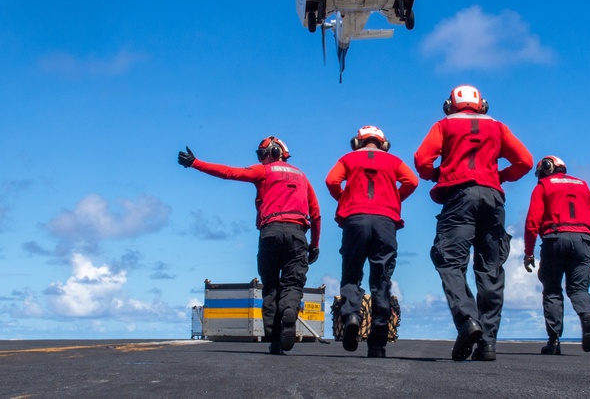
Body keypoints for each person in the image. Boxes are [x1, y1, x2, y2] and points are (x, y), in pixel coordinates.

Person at [413, 85, 533, 361]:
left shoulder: (443, 126)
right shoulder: (498, 127)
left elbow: (421, 160)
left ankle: (467, 321)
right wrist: (500, 176)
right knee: (491, 268)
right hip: (493, 198)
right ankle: (488, 343)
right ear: (482, 105)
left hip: (459, 197)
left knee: (450, 262)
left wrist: (437, 174)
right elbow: (525, 161)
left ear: (449, 105)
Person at [177, 137, 321, 355]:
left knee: (271, 286)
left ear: (274, 152)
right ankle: (289, 309)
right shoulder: (303, 177)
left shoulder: (264, 171)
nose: (260, 158)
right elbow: (317, 214)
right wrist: (315, 245)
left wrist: (195, 163)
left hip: (270, 232)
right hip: (297, 234)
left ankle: (274, 341)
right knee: (293, 283)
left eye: (262, 153)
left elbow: (229, 172)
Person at [325, 125, 418, 358]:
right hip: (385, 223)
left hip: (355, 220)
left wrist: (345, 198)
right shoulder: (394, 161)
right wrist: (395, 198)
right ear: (383, 143)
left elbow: (331, 181)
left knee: (351, 273)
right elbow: (412, 182)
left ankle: (352, 316)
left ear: (357, 142)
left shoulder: (348, 158)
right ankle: (377, 344)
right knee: (381, 280)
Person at [523, 155, 590, 355]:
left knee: (552, 291)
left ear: (546, 168)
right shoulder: (583, 185)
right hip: (584, 241)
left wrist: (528, 253)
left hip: (554, 240)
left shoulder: (543, 185)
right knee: (578, 289)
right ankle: (586, 315)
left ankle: (554, 340)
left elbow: (532, 221)